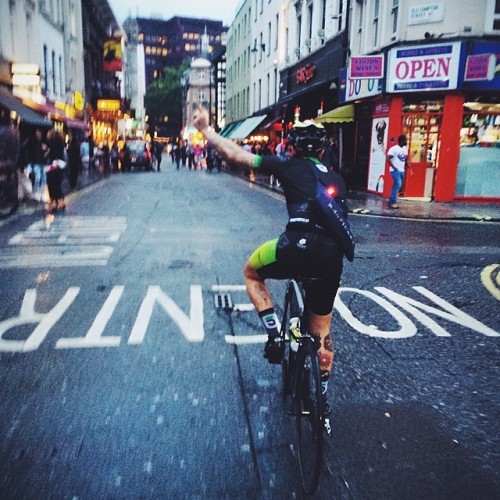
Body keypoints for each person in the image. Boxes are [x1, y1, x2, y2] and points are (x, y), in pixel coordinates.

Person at [192, 104, 348, 414]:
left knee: (252, 272)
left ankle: (275, 334)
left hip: (295, 246)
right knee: (322, 334)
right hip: (332, 257)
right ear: (323, 146)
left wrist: (206, 130)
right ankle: (323, 399)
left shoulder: (287, 166)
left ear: (292, 145)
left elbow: (235, 156)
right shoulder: (337, 179)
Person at [386, 134, 410, 209]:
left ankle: (391, 200)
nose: (406, 141)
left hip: (402, 170)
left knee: (397, 186)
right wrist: (394, 167)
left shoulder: (405, 148)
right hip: (395, 170)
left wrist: (409, 166)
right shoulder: (394, 149)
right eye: (405, 140)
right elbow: (388, 158)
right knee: (397, 185)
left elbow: (405, 158)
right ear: (402, 141)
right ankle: (392, 202)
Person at [24, 128, 48, 201]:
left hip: (43, 162)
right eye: (37, 131)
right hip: (36, 162)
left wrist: (46, 150)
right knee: (37, 178)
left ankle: (43, 194)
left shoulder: (44, 141)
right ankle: (35, 193)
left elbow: (47, 151)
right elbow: (27, 149)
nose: (38, 133)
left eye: (39, 132)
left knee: (43, 178)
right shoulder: (32, 140)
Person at [46, 129, 66, 211]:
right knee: (58, 184)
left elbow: (51, 154)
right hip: (60, 164)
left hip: (53, 165)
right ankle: (61, 202)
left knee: (51, 184)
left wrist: (47, 151)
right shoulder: (61, 142)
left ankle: (54, 202)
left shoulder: (51, 142)